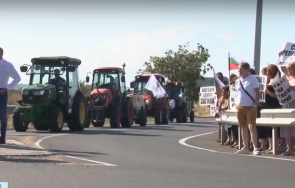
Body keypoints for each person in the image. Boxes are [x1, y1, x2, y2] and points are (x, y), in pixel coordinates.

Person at [234, 62, 261, 155]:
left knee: (252, 127)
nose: (239, 71)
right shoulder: (238, 81)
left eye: (241, 69)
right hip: (240, 106)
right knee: (243, 127)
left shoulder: (252, 80)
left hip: (250, 106)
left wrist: (255, 105)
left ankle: (255, 148)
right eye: (238, 69)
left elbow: (258, 94)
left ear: (246, 70)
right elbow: (238, 93)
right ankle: (245, 147)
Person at [0, 47, 21, 144]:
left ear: (1, 53)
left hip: (2, 93)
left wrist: (7, 87)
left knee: (3, 116)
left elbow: (17, 78)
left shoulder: (7, 65)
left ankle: (2, 137)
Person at [280, 60, 295, 156]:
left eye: (290, 68)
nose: (288, 70)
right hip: (286, 105)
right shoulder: (287, 78)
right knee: (287, 128)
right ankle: (289, 148)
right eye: (288, 68)